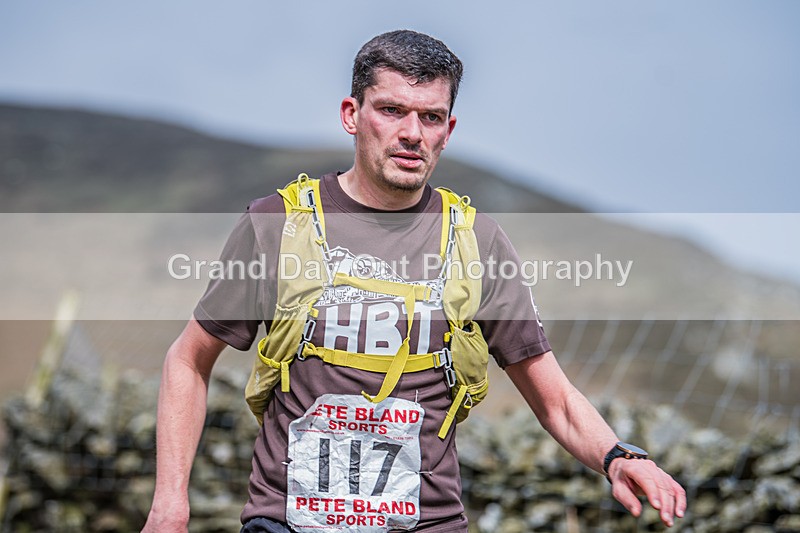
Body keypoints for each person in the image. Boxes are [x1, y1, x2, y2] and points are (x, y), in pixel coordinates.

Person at [142, 29, 686, 533]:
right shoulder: (278, 225)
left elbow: (555, 400)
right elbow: (189, 359)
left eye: (430, 117)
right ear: (352, 114)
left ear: (448, 131)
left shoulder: (479, 243)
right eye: (392, 110)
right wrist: (170, 501)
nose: (411, 134)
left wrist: (620, 456)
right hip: (287, 522)